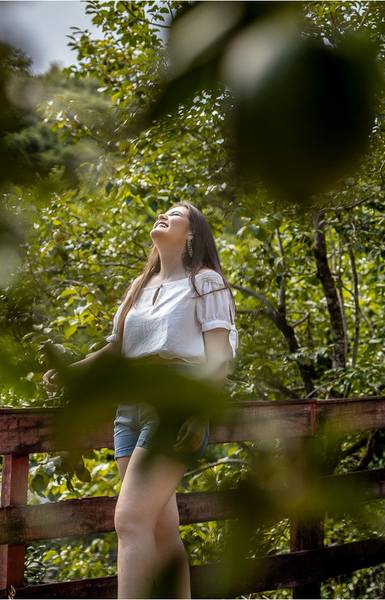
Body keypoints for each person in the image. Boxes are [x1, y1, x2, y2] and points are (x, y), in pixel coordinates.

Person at [43, 201, 239, 598]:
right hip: (128, 410)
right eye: (163, 211)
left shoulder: (206, 282)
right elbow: (117, 350)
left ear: (192, 235)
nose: (164, 215)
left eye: (176, 214)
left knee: (130, 521)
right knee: (161, 529)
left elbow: (218, 357)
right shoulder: (139, 286)